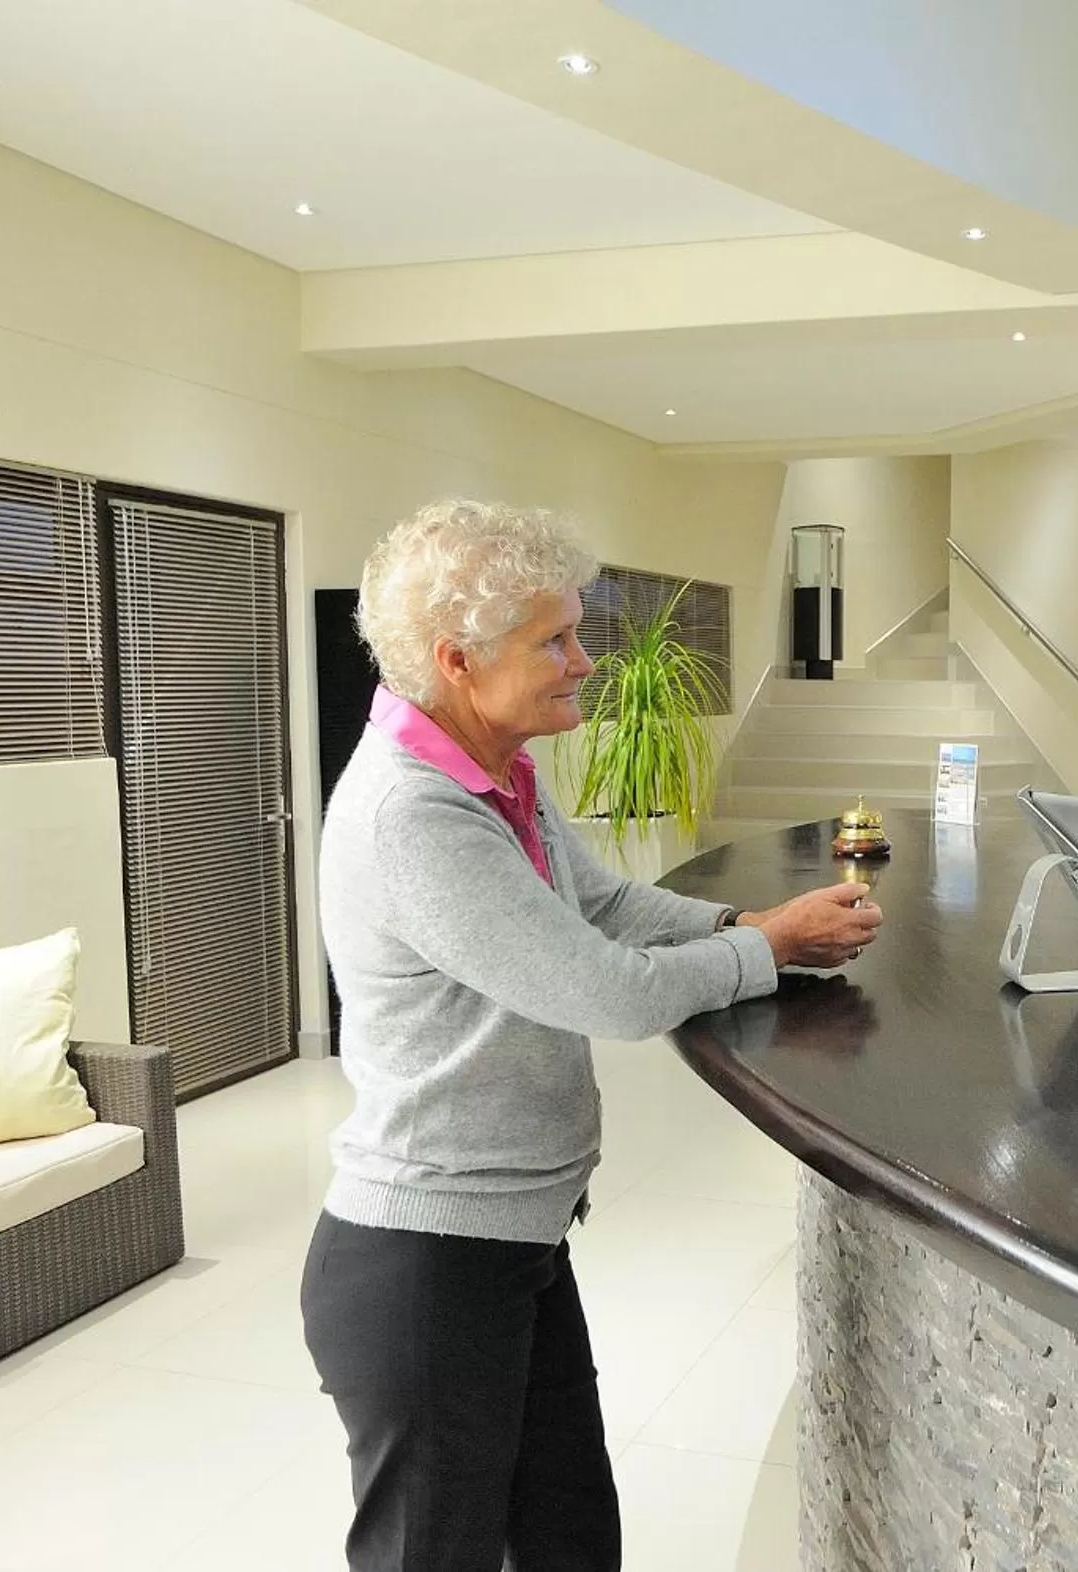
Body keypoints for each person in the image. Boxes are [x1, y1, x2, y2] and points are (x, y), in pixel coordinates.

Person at [301, 499, 883, 1572]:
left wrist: (746, 927)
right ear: (458, 661)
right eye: (554, 641)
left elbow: (605, 905)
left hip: (510, 1240)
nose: (586, 660)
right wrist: (768, 950)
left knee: (570, 1538)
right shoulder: (416, 813)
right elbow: (610, 990)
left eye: (579, 629)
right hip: (431, 1262)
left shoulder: (496, 775)